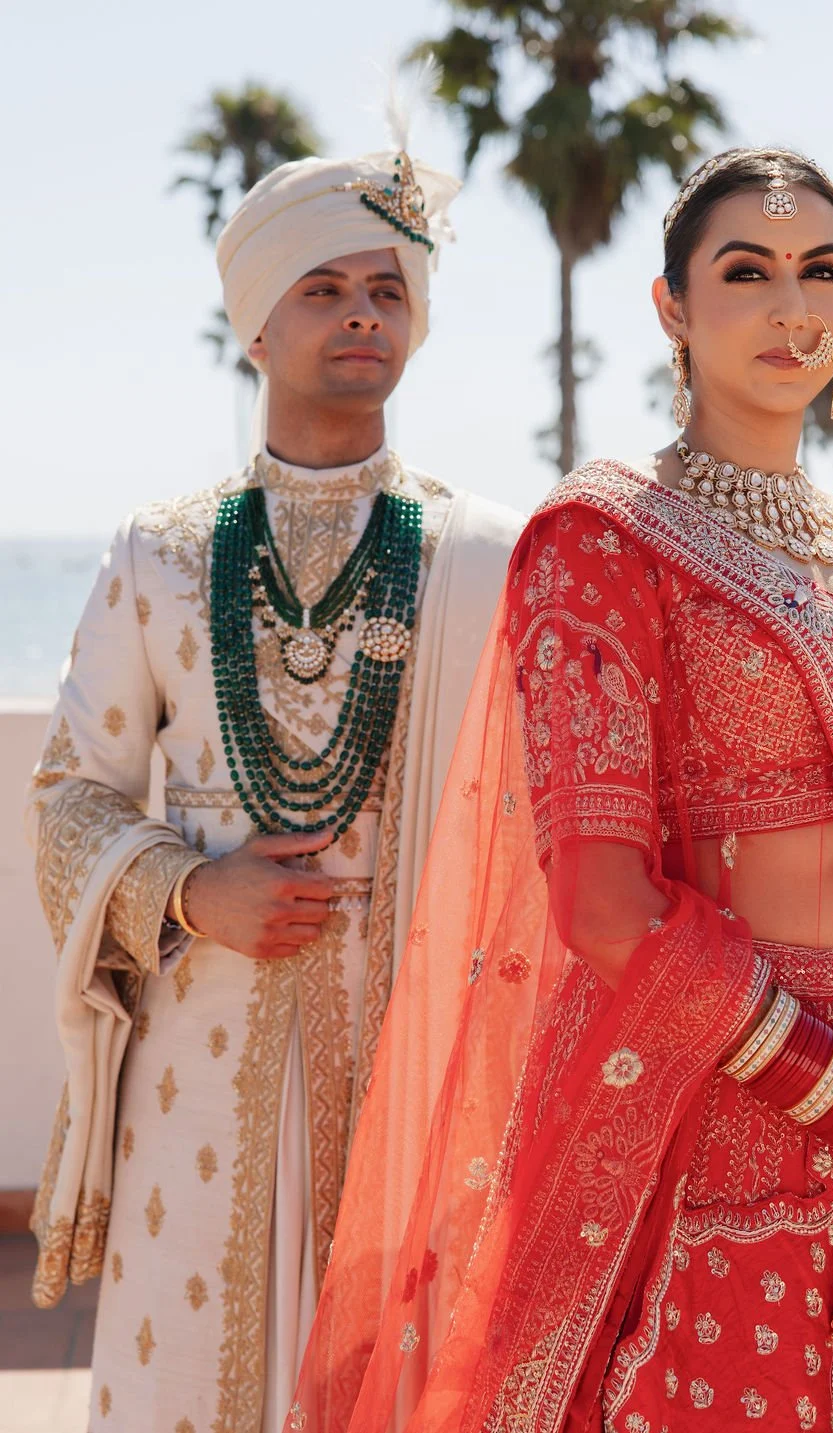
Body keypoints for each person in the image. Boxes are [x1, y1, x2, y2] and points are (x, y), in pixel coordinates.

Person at [288, 148, 833, 1432]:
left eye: (822, 271)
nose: (793, 306)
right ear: (671, 309)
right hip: (725, 1110)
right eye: (746, 272)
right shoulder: (602, 542)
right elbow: (605, 904)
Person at [26, 145, 522, 1433]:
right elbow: (70, 793)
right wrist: (195, 890)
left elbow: (541, 814)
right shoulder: (160, 551)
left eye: (387, 288)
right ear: (253, 322)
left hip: (421, 1061)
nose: (363, 311)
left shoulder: (487, 552)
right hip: (203, 1056)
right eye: (323, 287)